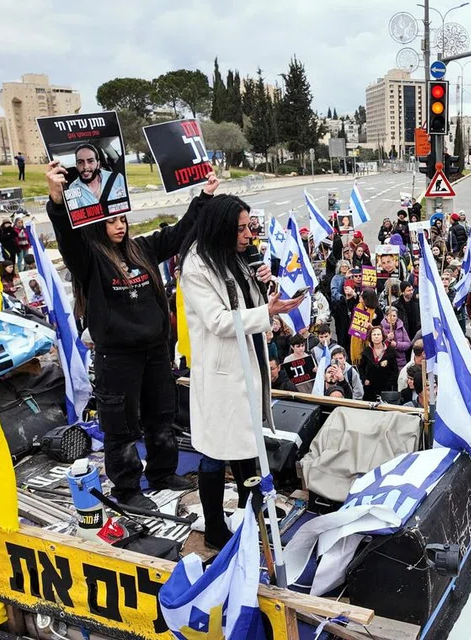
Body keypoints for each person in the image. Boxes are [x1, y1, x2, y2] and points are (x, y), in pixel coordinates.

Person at [46, 160, 202, 511]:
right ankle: (128, 489)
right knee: (121, 427)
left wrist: (203, 198)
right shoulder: (89, 260)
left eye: (122, 219)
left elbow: (178, 235)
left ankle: (163, 473)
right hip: (117, 358)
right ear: (98, 225)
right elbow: (68, 239)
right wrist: (57, 202)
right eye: (111, 221)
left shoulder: (141, 249)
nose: (119, 226)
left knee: (161, 416)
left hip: (155, 352)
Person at [179, 189, 305, 549]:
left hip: (248, 366)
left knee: (249, 445)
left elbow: (252, 305)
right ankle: (216, 528)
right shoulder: (197, 267)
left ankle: (254, 512)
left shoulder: (235, 257)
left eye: (251, 228)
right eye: (242, 229)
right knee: (217, 453)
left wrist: (266, 286)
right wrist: (269, 313)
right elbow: (219, 321)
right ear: (221, 229)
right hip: (222, 375)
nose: (250, 236)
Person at [66, 144, 128, 209]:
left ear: (98, 164)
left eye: (90, 161)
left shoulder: (117, 178)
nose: (85, 167)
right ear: (76, 165)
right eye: (80, 162)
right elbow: (75, 213)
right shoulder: (72, 188)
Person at [358, 326, 399, 401]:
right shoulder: (366, 352)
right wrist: (364, 380)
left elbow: (395, 370)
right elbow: (361, 368)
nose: (376, 337)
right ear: (370, 337)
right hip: (370, 389)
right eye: (374, 335)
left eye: (378, 334)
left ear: (382, 336)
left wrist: (389, 383)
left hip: (385, 389)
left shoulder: (390, 351)